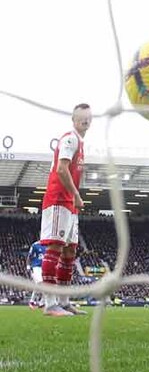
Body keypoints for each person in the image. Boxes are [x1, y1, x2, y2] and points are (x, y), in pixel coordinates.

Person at [39, 103, 92, 317]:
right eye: (81, 117)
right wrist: (77, 195)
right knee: (55, 248)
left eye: (88, 117)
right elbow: (61, 169)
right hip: (59, 199)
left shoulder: (80, 142)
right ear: (73, 119)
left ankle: (64, 301)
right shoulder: (69, 139)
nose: (85, 121)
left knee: (70, 251)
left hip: (70, 203)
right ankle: (50, 304)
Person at [26, 240, 46, 309]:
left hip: (45, 267)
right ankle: (32, 301)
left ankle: (42, 303)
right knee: (40, 283)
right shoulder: (35, 245)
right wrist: (28, 266)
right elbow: (29, 256)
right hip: (36, 267)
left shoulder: (49, 245)